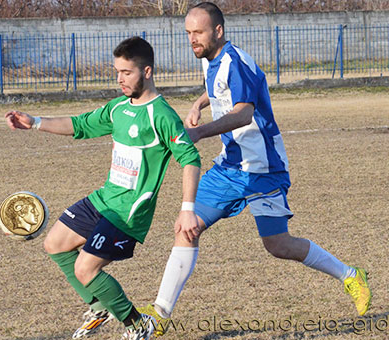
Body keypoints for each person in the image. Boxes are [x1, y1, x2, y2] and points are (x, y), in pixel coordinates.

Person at [139, 2, 372, 333]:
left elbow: (244, 112)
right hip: (228, 167)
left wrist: (199, 132)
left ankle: (350, 275)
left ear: (218, 31)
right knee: (186, 227)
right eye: (189, 33)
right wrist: (198, 103)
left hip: (262, 169)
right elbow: (218, 86)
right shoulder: (213, 60)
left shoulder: (236, 61)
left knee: (278, 245)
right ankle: (160, 313)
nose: (193, 39)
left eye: (199, 32)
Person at [5, 36, 201, 340]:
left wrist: (187, 209)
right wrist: (35, 122)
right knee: (54, 243)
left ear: (147, 72)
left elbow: (190, 158)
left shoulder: (161, 115)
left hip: (128, 213)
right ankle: (99, 307)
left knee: (85, 269)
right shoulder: (118, 108)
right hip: (105, 200)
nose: (119, 79)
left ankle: (138, 326)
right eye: (117, 72)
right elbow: (81, 125)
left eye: (126, 73)